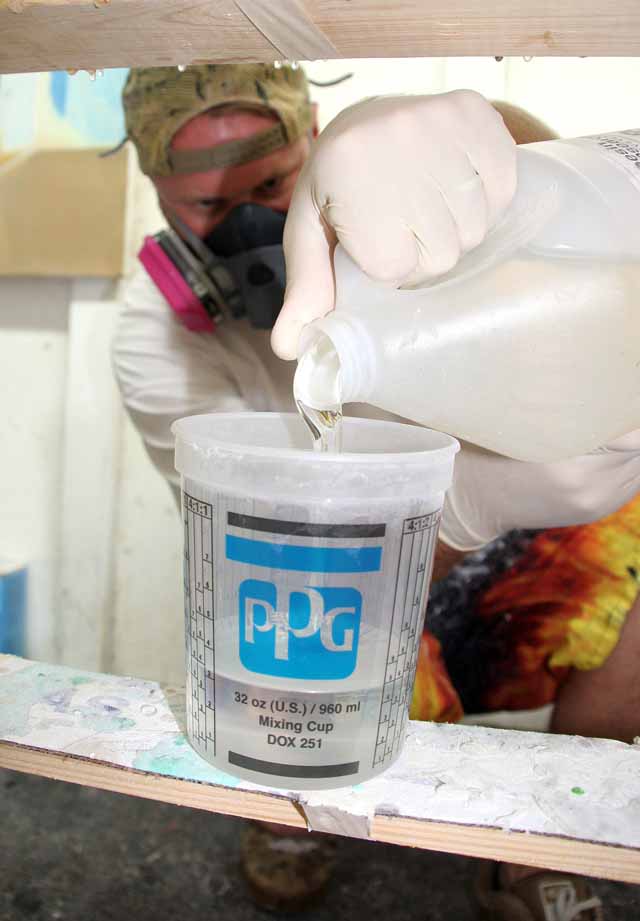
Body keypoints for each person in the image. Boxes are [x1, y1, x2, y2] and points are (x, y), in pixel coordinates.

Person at [113, 65, 639, 920]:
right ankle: (294, 806)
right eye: (208, 205)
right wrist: (460, 507)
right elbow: (271, 562)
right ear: (158, 197)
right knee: (290, 662)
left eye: (271, 186)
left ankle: (553, 832)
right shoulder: (155, 338)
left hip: (521, 502)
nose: (248, 225)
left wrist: (488, 144)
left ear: (314, 140)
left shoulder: (392, 209)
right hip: (338, 579)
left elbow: (564, 210)